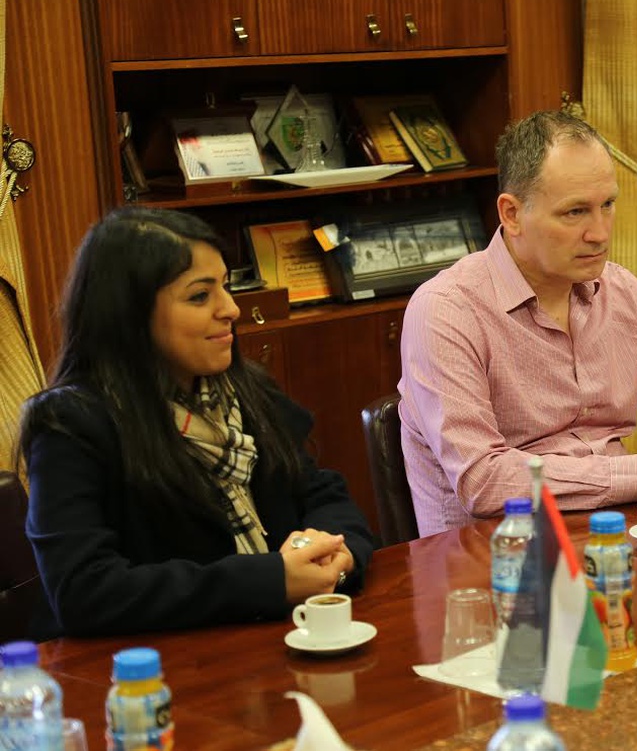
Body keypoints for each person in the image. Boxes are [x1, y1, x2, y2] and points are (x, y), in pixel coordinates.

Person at [398, 111, 637, 536]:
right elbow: (482, 479)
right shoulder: (446, 310)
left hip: (620, 534)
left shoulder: (621, 291)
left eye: (607, 205)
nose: (600, 233)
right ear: (512, 214)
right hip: (497, 555)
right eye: (575, 212)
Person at [20, 208, 374, 637]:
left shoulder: (247, 389)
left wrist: (338, 554)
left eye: (226, 286)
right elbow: (85, 591)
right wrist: (269, 580)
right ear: (130, 315)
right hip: (141, 666)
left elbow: (323, 494)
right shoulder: (70, 423)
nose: (231, 309)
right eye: (200, 296)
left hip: (271, 639)